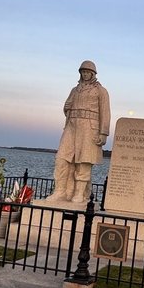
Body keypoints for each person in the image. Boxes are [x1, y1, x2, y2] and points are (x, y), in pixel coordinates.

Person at [49, 61, 111, 204]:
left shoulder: (101, 91)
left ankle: (79, 194)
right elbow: (67, 108)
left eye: (88, 72)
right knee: (61, 158)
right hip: (72, 126)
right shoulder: (74, 90)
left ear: (93, 74)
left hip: (90, 128)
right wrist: (66, 108)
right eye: (83, 71)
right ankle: (60, 192)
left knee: (84, 161)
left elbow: (105, 112)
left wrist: (103, 133)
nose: (85, 74)